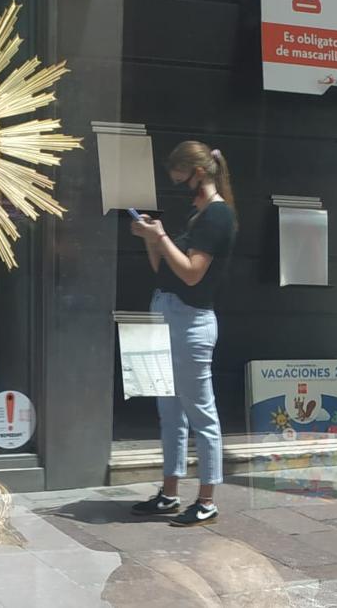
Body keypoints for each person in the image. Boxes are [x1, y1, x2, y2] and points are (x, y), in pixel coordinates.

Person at [129, 140, 237, 527]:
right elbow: (166, 271)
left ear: (199, 173)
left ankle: (206, 500)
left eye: (181, 177)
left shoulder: (218, 216)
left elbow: (192, 273)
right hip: (167, 311)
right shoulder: (198, 214)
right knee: (169, 412)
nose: (179, 185)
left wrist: (159, 238)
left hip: (189, 320)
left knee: (200, 414)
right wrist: (152, 239)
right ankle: (169, 492)